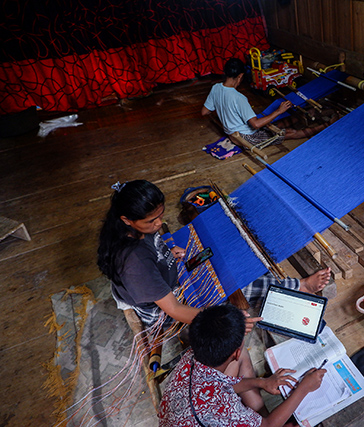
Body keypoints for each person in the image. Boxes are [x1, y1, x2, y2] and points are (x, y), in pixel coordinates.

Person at [96, 179, 330, 328]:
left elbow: (153, 245)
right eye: (151, 220)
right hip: (162, 311)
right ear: (126, 220)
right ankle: (300, 286)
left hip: (167, 276)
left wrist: (167, 251)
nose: (159, 223)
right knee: (242, 288)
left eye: (161, 215)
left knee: (232, 262)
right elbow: (175, 310)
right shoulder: (134, 264)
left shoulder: (135, 231)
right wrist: (226, 322)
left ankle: (296, 285)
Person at [159, 305, 325, 426]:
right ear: (235, 354)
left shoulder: (190, 358)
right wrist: (304, 388)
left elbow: (223, 384)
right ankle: (261, 417)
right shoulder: (223, 407)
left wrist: (262, 382)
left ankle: (259, 415)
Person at [201, 57, 333, 146]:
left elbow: (205, 112)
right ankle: (325, 125)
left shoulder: (216, 88)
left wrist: (226, 115)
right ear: (240, 76)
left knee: (281, 122)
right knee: (290, 132)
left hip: (233, 135)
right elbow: (256, 125)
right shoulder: (239, 98)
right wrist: (279, 111)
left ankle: (310, 114)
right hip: (246, 138)